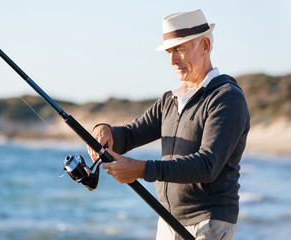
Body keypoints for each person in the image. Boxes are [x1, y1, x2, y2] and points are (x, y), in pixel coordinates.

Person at [88, 9, 250, 240]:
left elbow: (208, 165)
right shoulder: (170, 100)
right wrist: (104, 130)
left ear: (205, 45)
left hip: (209, 221)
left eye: (180, 49)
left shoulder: (226, 97)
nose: (173, 60)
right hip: (167, 220)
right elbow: (131, 134)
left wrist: (142, 169)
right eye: (169, 51)